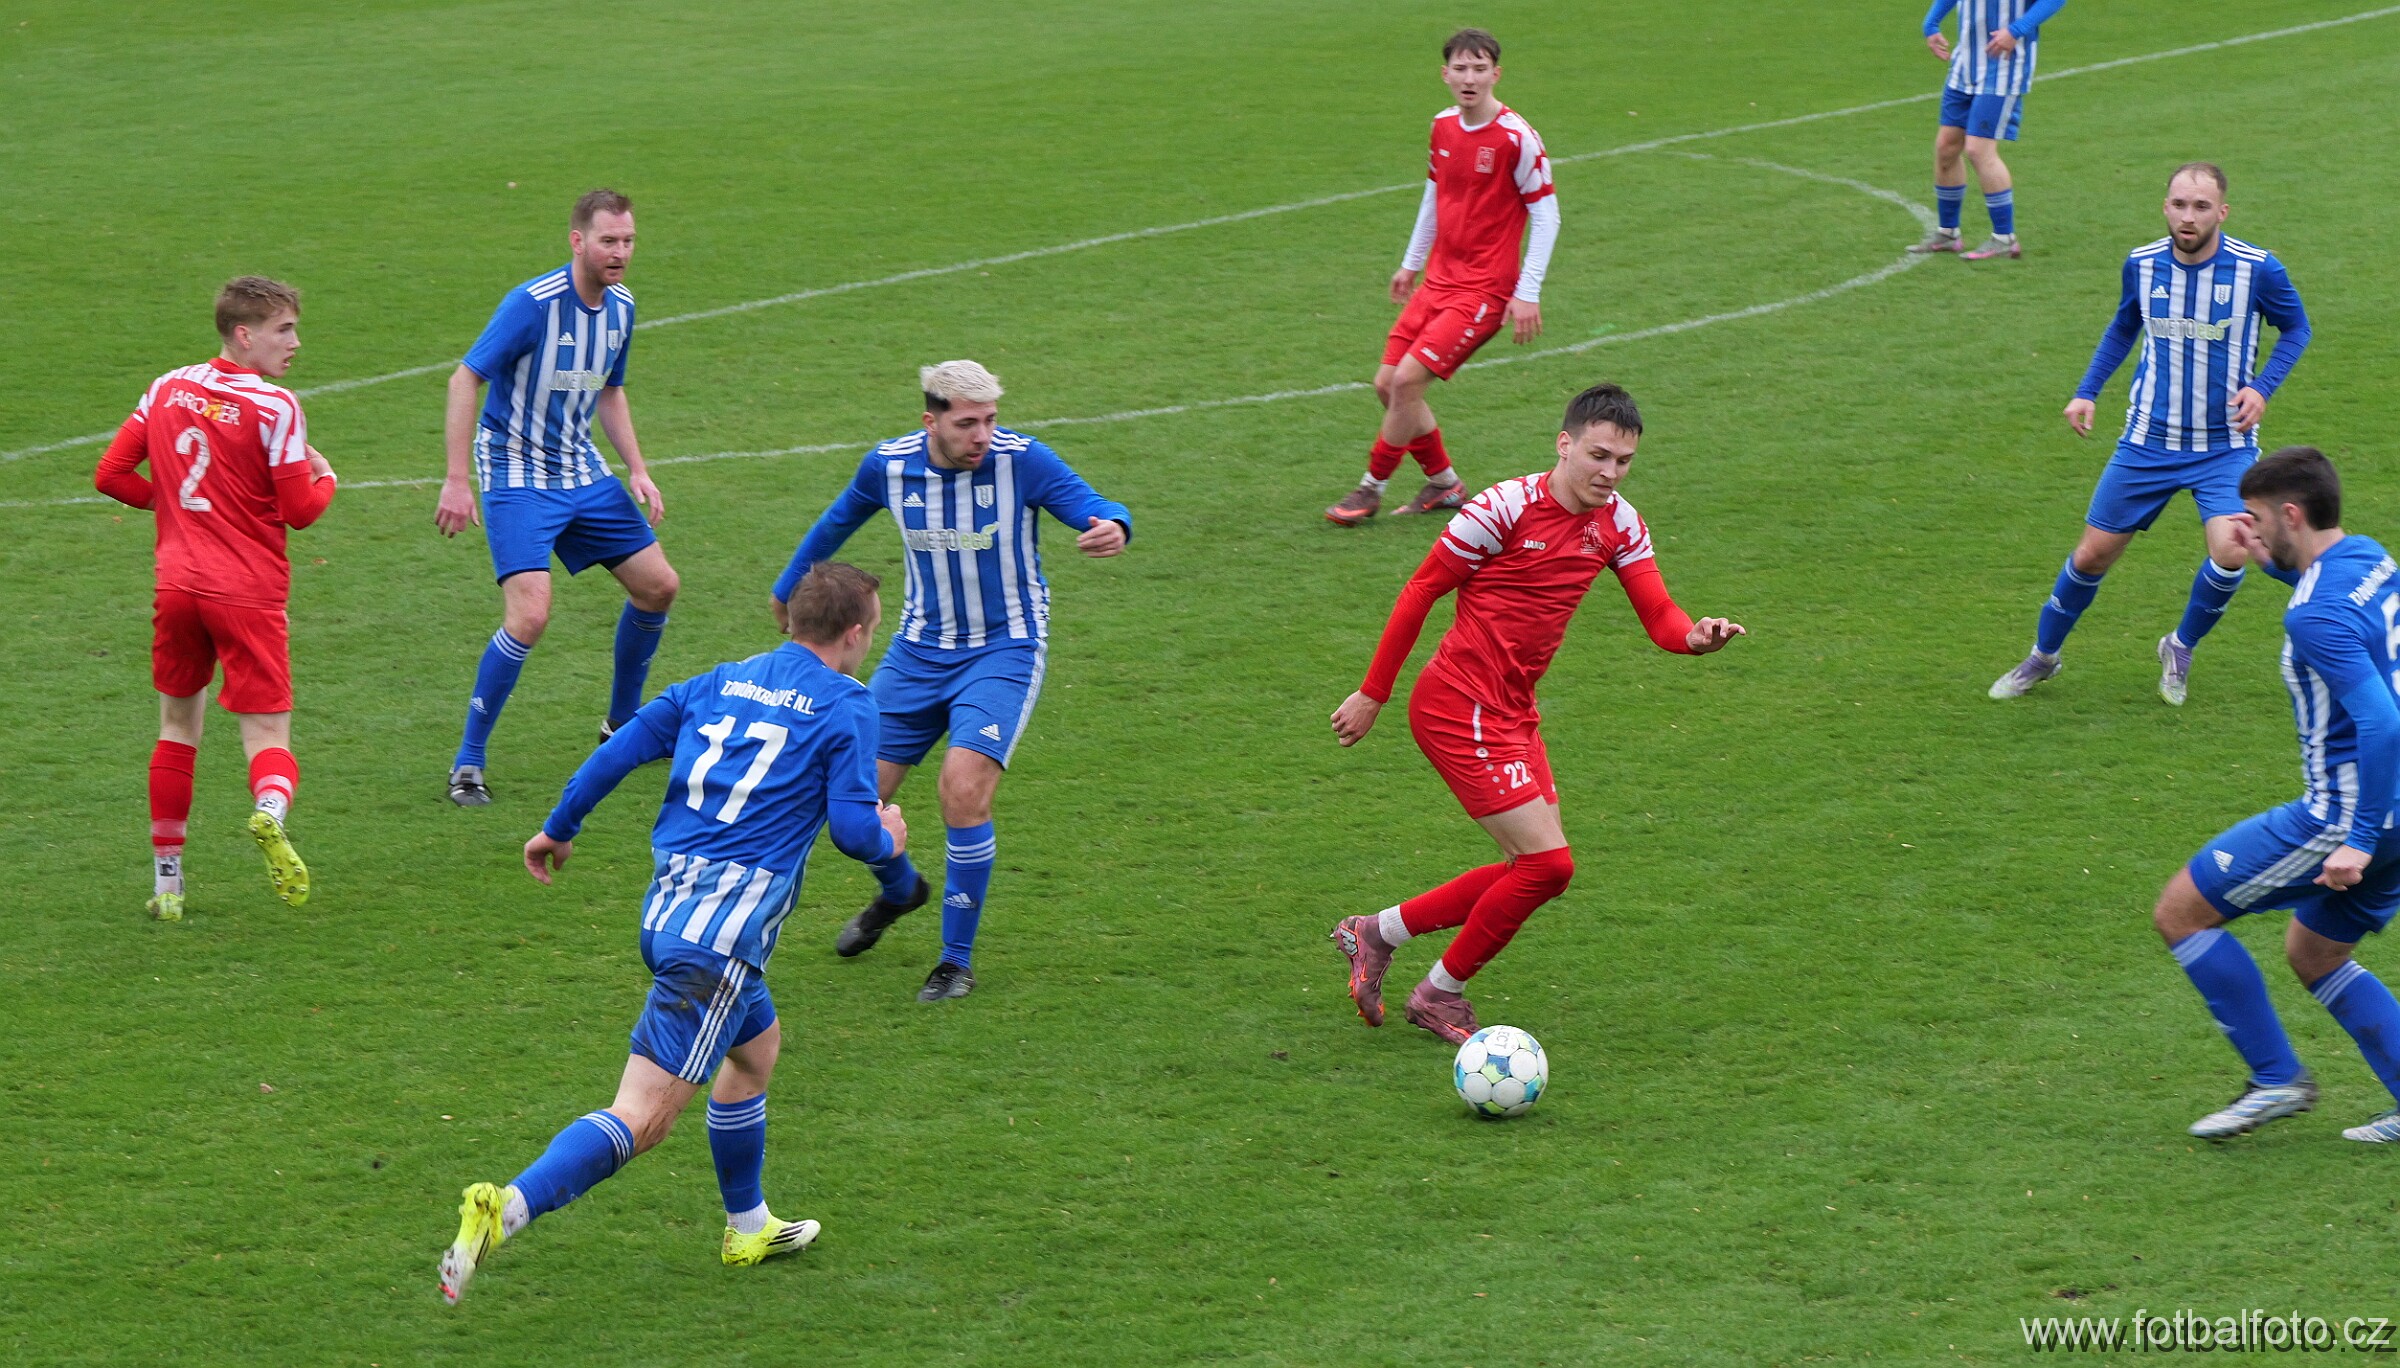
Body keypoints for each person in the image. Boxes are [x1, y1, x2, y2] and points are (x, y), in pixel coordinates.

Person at [440, 563, 907, 1303]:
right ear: (854, 634)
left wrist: (559, 826)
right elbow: (854, 831)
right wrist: (891, 840)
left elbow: (621, 748)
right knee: (643, 1116)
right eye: (872, 631)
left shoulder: (718, 681)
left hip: (667, 916)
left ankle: (748, 1225)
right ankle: (507, 1207)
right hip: (717, 945)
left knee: (755, 1053)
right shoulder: (847, 703)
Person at [1327, 384, 1744, 1041]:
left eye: (1624, 461)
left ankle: (1377, 933)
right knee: (1549, 865)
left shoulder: (1620, 524)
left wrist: (1694, 637)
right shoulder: (1502, 509)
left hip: (1513, 709)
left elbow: (1661, 614)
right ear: (1565, 444)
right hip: (1458, 704)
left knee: (1531, 870)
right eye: (1599, 456)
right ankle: (1438, 994)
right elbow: (1421, 590)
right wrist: (1372, 693)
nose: (1611, 472)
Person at [768, 360, 1131, 1002]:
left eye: (989, 420)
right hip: (916, 653)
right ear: (930, 421)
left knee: (962, 790)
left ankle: (954, 961)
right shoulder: (889, 467)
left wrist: (1113, 526)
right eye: (967, 423)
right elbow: (834, 526)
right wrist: (785, 591)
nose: (982, 435)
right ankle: (901, 890)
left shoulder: (1023, 462)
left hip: (1003, 650)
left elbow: (1091, 503)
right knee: (851, 807)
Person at [2150, 448, 2400, 1144]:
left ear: (2292, 514)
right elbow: (2336, 613)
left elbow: (2382, 722)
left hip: (2347, 814)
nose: (2249, 528)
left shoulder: (2313, 617)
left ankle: (2275, 1079)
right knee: (2315, 954)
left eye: (2257, 519)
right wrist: (2261, 559)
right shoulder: (2369, 558)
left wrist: (2357, 840)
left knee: (2180, 913)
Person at [1990, 162, 2310, 705]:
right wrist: (2087, 391)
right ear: (2165, 207)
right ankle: (2043, 656)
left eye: (2201, 207)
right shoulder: (2141, 264)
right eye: (2179, 204)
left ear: (2222, 212)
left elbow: (2297, 328)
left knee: (2233, 548)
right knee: (2091, 556)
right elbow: (2123, 326)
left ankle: (2180, 646)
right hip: (2147, 442)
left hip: (2223, 446)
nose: (2188, 217)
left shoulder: (2257, 269)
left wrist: (2262, 388)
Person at [93, 276, 339, 921]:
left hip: (177, 587)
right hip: (247, 593)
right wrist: (328, 475)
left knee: (177, 728)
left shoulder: (166, 386)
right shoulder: (275, 406)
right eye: (284, 329)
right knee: (267, 732)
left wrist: (173, 509)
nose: (295, 342)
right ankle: (269, 812)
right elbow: (301, 511)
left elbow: (110, 474)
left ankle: (168, 886)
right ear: (244, 334)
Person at [434, 188, 679, 806]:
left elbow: (610, 391)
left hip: (579, 467)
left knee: (658, 586)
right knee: (530, 616)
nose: (620, 252)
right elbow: (466, 378)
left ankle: (622, 727)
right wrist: (458, 479)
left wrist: (638, 468)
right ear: (578, 241)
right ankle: (467, 763)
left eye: (628, 241)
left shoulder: (623, 307)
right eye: (608, 241)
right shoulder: (532, 304)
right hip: (515, 471)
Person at [1324, 27, 1558, 526]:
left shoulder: (1517, 138)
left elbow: (1547, 214)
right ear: (1445, 74)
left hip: (1485, 288)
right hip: (1439, 280)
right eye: (1461, 68)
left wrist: (1527, 292)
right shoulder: (1443, 126)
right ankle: (1445, 484)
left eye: (1480, 69)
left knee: (1407, 381)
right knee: (1387, 385)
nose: (1469, 78)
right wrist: (1411, 262)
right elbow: (1435, 194)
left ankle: (1370, 488)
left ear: (1496, 74)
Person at [1908, 0, 2065, 260]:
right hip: (1965, 63)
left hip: (2004, 65)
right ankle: (1948, 233)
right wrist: (1931, 22)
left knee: (1978, 149)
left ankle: (2004, 238)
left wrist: (2016, 30)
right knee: (1946, 146)